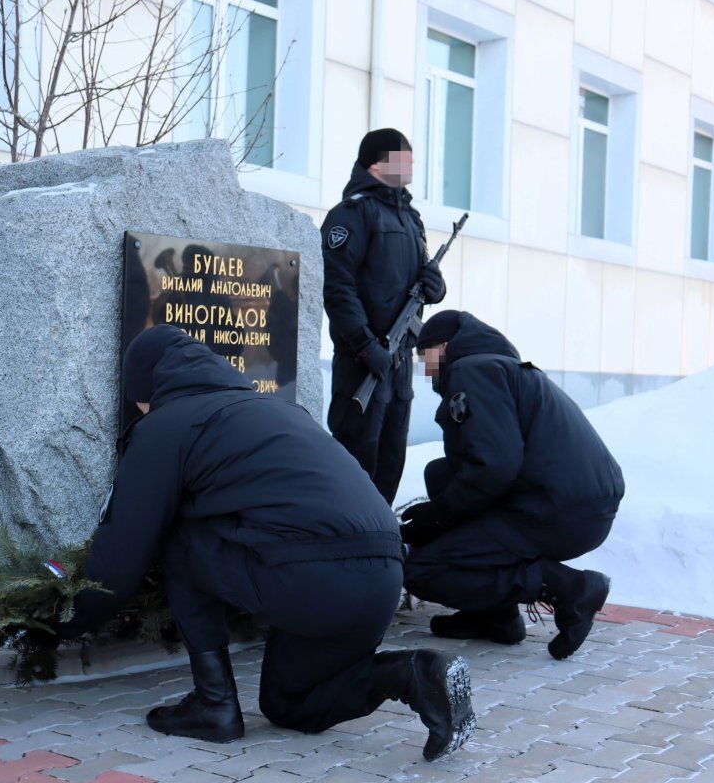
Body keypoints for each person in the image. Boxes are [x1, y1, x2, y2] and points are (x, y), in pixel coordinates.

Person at [56, 325, 476, 761]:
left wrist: (60, 620)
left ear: (148, 384)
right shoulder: (282, 411)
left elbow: (122, 557)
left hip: (313, 578)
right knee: (291, 703)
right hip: (383, 575)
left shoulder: (167, 424)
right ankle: (413, 674)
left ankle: (214, 705)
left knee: (179, 532)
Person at [400, 311, 624, 660]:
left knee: (424, 571)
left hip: (555, 510)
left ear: (442, 347)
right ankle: (493, 617)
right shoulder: (499, 367)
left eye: (423, 356)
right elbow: (480, 463)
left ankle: (569, 587)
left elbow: (495, 466)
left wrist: (439, 516)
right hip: (577, 501)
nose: (424, 368)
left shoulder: (470, 370)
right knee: (440, 474)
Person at [322, 129, 447, 505]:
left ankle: (377, 539)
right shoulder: (352, 214)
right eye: (402, 158)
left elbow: (419, 285)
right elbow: (337, 288)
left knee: (392, 457)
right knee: (356, 461)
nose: (411, 165)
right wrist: (363, 345)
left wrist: (435, 286)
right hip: (363, 362)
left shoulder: (411, 219)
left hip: (399, 363)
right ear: (377, 163)